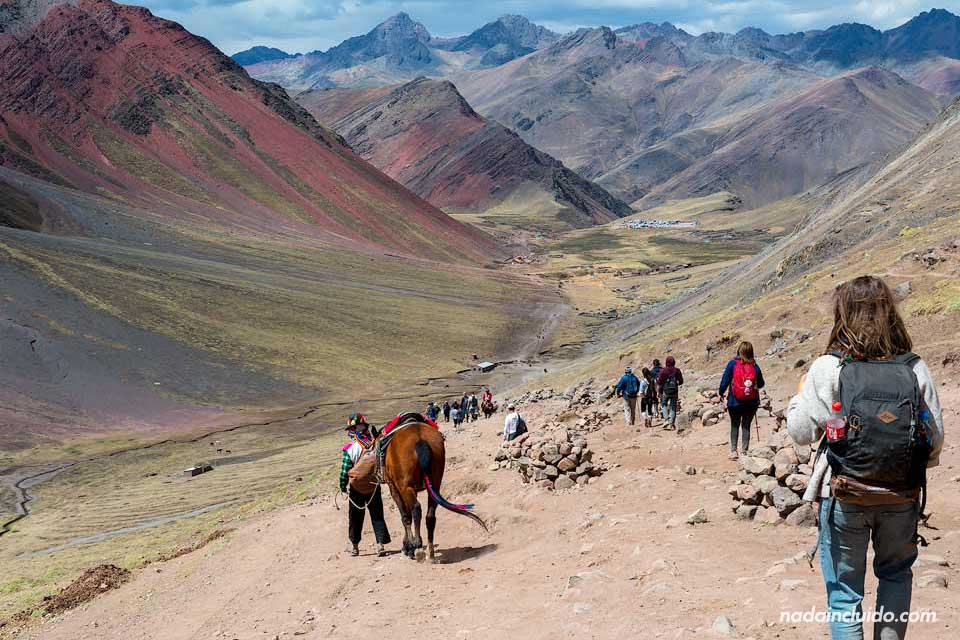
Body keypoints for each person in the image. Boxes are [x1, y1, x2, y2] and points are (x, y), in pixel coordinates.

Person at [787, 276, 943, 640]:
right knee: (895, 577)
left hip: (844, 492)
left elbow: (800, 432)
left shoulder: (828, 367)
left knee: (844, 594)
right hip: (901, 495)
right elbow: (934, 442)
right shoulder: (913, 367)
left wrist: (799, 398)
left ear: (842, 314)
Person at [338, 413, 390, 557]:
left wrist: (343, 486)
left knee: (355, 516)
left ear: (353, 430)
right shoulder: (375, 445)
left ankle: (354, 546)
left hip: (356, 488)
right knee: (377, 514)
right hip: (373, 485)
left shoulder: (350, 448)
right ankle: (380, 545)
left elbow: (345, 470)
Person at [719, 341, 765, 459]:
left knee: (734, 425)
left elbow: (725, 380)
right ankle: (744, 451)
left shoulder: (732, 364)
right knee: (746, 425)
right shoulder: (755, 366)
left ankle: (734, 451)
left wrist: (721, 392)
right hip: (751, 402)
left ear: (739, 351)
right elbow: (761, 384)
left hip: (734, 401)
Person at [657, 356, 684, 431]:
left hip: (666, 391)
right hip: (674, 391)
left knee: (663, 404)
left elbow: (659, 382)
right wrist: (676, 384)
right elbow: (681, 381)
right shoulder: (677, 370)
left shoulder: (663, 371)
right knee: (673, 407)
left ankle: (666, 420)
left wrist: (660, 389)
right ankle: (671, 423)